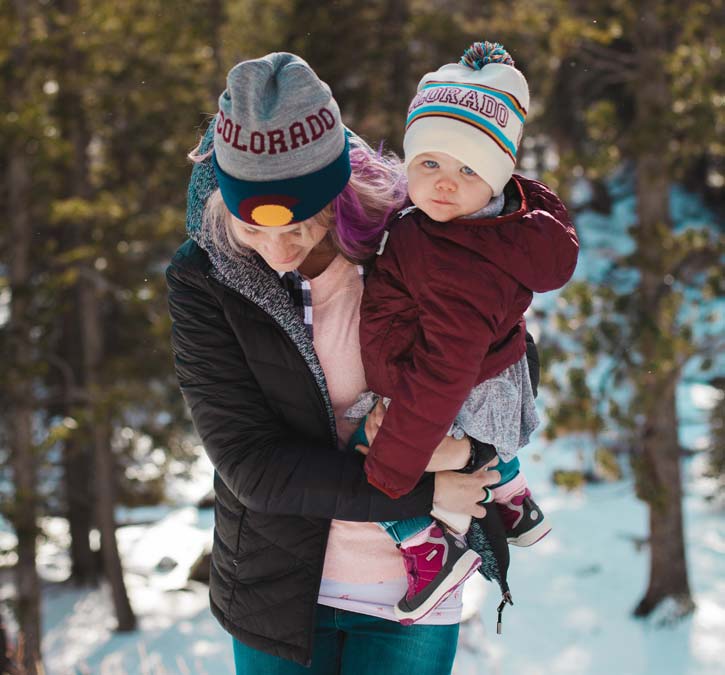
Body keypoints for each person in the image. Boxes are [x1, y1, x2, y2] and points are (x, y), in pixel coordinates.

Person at [167, 52, 504, 674]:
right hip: (279, 593)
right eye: (251, 227)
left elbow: (502, 373)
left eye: (298, 227)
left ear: (338, 192)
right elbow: (252, 465)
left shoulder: (415, 237)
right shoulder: (206, 278)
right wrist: (425, 490)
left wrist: (471, 454)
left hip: (415, 593)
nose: (276, 251)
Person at [348, 41, 579, 624]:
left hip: (447, 395)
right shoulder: (487, 226)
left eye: (467, 169)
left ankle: (428, 548)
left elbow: (444, 367)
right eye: (430, 164)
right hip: (488, 387)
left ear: (496, 176)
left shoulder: (450, 253)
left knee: (366, 452)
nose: (444, 184)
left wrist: (391, 465)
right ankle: (512, 497)